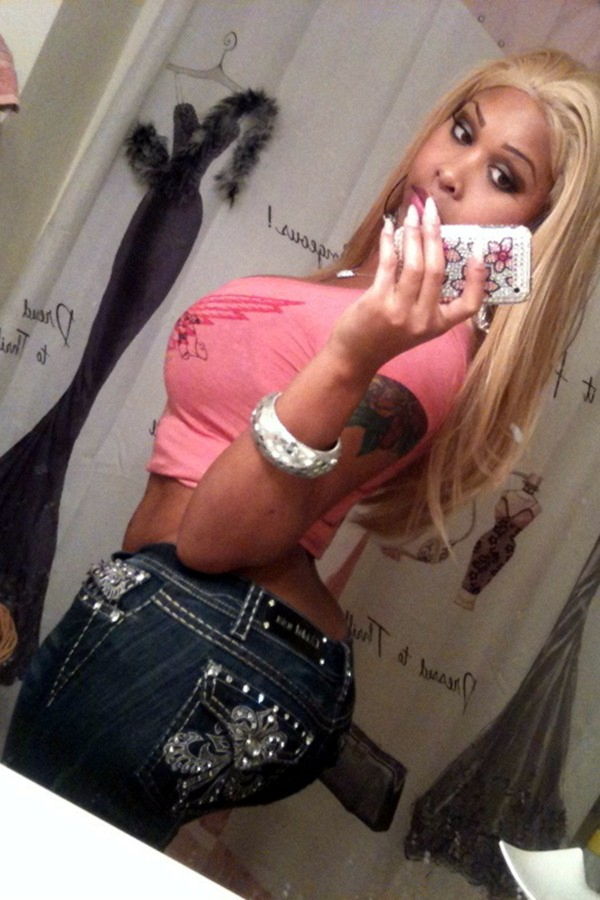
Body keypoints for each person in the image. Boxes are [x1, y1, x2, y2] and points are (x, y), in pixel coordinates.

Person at [4, 49, 600, 850]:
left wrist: (354, 356)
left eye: (504, 177)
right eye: (461, 132)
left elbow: (213, 541)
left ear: (530, 237)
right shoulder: (362, 296)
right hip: (173, 618)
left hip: (208, 632)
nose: (453, 173)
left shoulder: (416, 353)